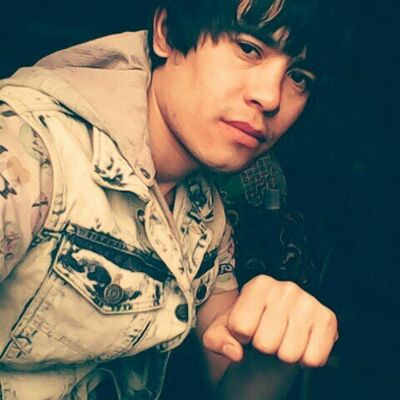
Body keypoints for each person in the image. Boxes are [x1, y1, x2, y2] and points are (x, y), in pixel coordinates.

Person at [0, 0, 340, 398]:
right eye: (248, 49)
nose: (270, 97)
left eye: (298, 77)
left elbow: (231, 383)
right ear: (165, 33)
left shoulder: (206, 215)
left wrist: (275, 346)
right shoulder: (28, 151)